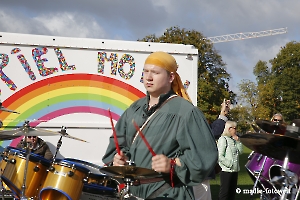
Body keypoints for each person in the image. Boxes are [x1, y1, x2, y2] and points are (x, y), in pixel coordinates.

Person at [102, 51, 218, 200]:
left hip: (167, 193)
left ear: (171, 77)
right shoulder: (134, 109)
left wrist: (173, 165)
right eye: (145, 71)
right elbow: (118, 142)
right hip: (132, 193)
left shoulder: (186, 112)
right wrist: (118, 159)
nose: (148, 77)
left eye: (155, 72)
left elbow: (204, 156)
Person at [193, 99, 231, 200]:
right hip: (195, 172)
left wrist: (223, 113)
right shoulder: (190, 128)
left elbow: (212, 130)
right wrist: (223, 114)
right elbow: (213, 132)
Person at [217, 121, 243, 200]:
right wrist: (230, 164)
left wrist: (238, 141)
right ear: (229, 129)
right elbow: (219, 156)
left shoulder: (233, 140)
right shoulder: (223, 139)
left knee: (232, 193)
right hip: (226, 171)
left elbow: (241, 152)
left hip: (235, 170)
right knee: (224, 193)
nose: (236, 130)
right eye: (234, 128)